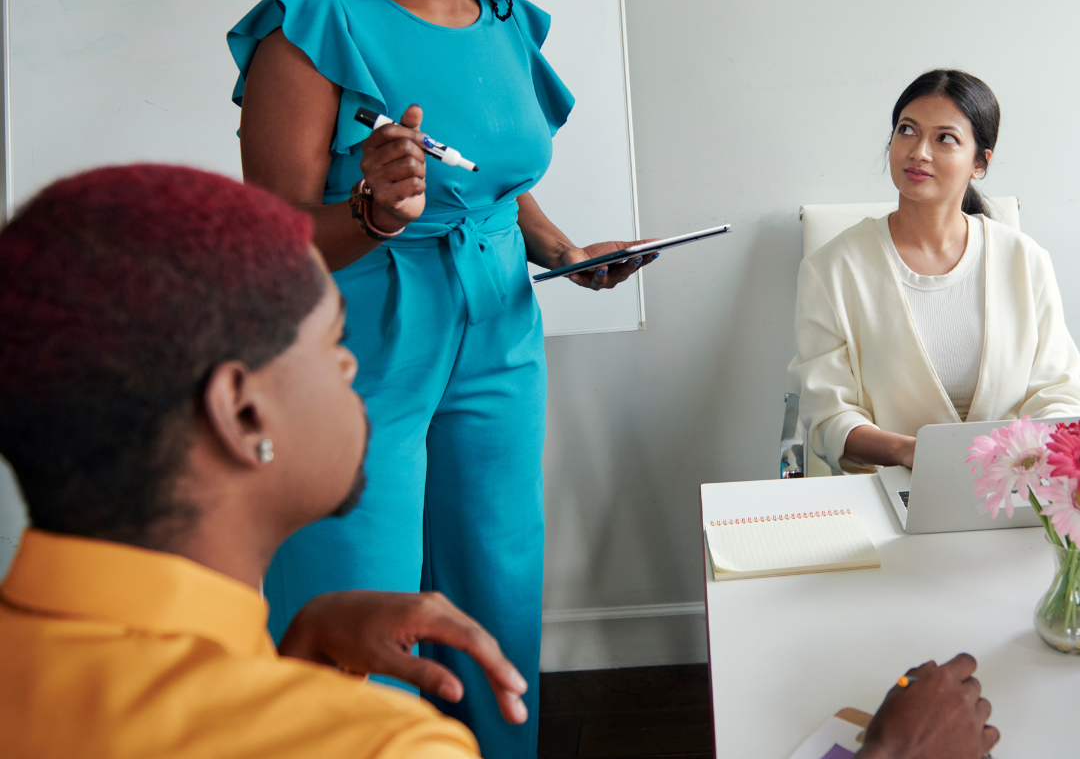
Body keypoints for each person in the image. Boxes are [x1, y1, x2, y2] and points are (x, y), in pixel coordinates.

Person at [0, 164, 999, 759]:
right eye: (331, 337)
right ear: (241, 407)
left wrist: (291, 658)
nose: (353, 362)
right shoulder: (383, 744)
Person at [227, 0, 650, 755]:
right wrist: (373, 210)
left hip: (501, 326)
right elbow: (272, 236)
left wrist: (563, 251)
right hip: (359, 340)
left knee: (493, 585)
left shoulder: (502, 19)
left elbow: (498, 180)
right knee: (357, 598)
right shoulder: (313, 23)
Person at [790, 68, 1080, 474]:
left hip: (1011, 485)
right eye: (907, 130)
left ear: (980, 163)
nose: (919, 151)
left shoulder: (1024, 260)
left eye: (945, 138)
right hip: (890, 493)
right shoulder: (831, 270)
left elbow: (1059, 392)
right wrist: (913, 454)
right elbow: (828, 416)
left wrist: (1019, 462)